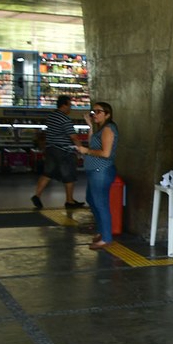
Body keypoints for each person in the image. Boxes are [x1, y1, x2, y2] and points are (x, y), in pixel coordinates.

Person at [31, 95, 85, 209]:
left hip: (51, 149)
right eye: (70, 105)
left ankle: (37, 195)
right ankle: (69, 201)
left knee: (47, 173)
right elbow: (74, 137)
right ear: (64, 105)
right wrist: (81, 150)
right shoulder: (64, 119)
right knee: (69, 174)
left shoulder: (51, 116)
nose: (71, 108)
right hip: (63, 150)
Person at [77, 102, 118, 250]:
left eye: (98, 111)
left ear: (107, 114)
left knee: (100, 203)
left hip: (102, 171)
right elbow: (93, 144)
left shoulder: (108, 129)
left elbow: (105, 154)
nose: (94, 114)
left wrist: (86, 151)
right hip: (94, 170)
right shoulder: (101, 129)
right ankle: (102, 231)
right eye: (93, 111)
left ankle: (106, 238)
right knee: (92, 200)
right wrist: (89, 126)